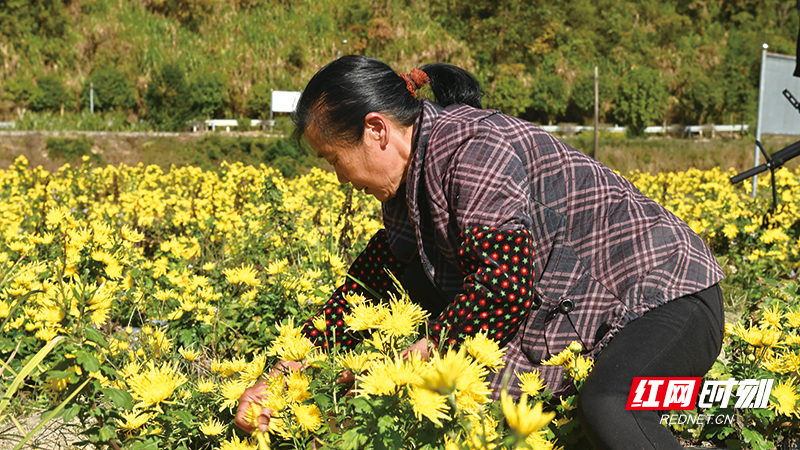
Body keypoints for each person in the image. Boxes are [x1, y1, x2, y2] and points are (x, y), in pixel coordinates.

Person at [236, 55, 725, 450]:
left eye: (333, 160)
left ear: (376, 130)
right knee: (462, 412)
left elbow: (502, 287)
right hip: (576, 318)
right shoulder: (407, 189)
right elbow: (364, 289)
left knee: (608, 406)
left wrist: (418, 356)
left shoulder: (472, 149)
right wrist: (279, 376)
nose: (340, 177)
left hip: (663, 299)